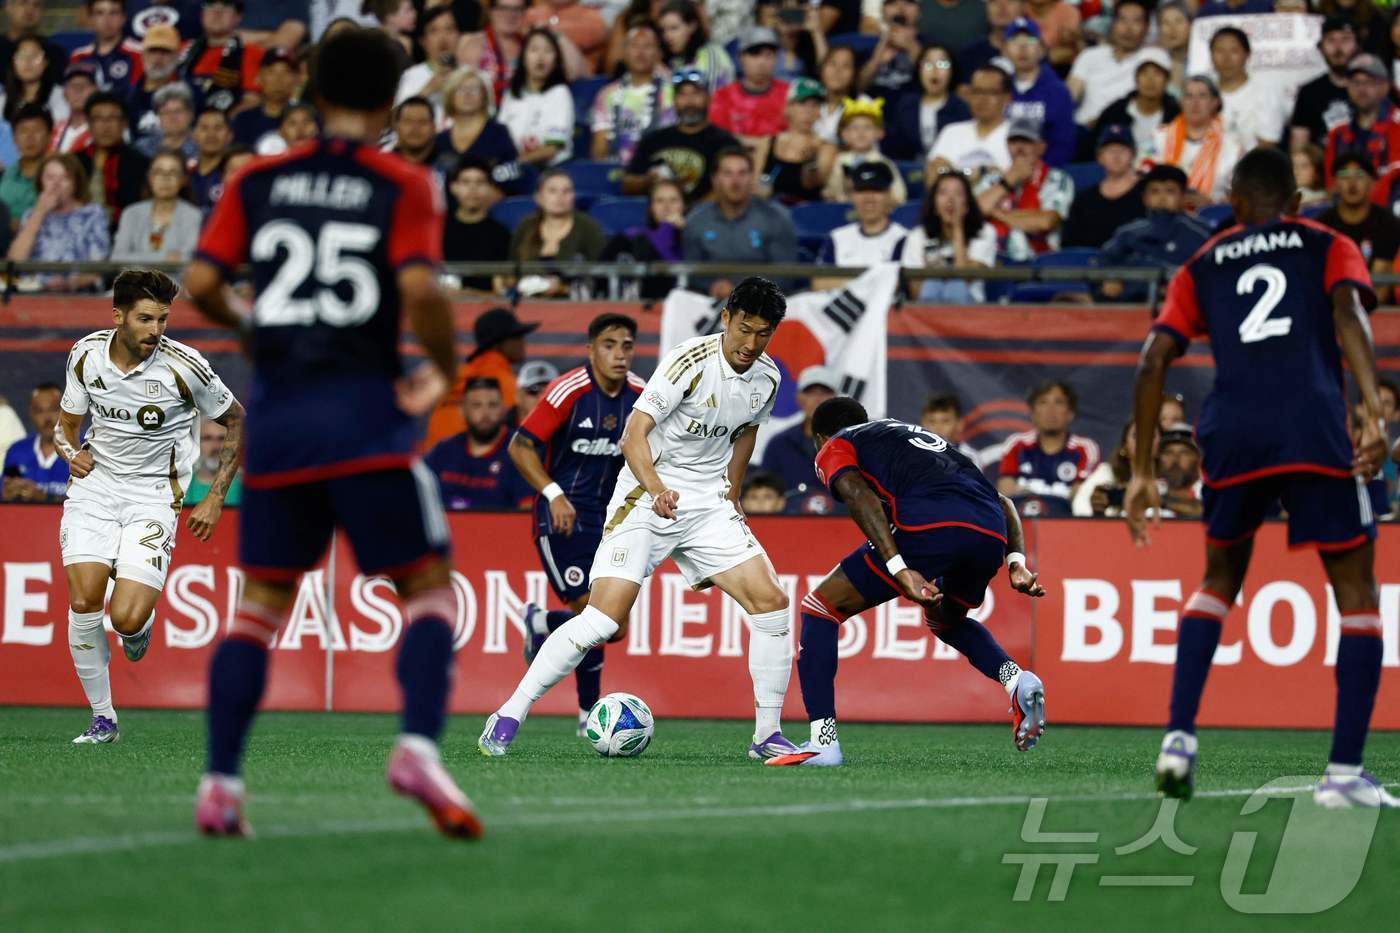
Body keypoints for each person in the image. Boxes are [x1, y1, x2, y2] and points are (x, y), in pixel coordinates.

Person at [185, 26, 482, 839]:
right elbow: (421, 289)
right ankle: (416, 744)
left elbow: (203, 282)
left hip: (279, 423)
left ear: (313, 93)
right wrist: (444, 368)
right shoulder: (405, 181)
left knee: (257, 610)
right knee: (427, 588)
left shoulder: (257, 177)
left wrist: (250, 329)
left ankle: (220, 783)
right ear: (391, 103)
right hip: (365, 419)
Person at [1126, 146, 1394, 807]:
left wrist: (1140, 470)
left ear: (1235, 207)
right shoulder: (1325, 240)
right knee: (1357, 591)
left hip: (1232, 429)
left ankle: (1178, 738)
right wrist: (1371, 409)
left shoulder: (1201, 261)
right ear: (1297, 202)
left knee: (1218, 579)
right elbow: (1348, 314)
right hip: (1312, 426)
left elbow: (1152, 356)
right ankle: (1342, 774)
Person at [478, 277, 805, 762]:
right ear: (726, 319)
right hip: (645, 497)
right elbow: (634, 435)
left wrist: (732, 494)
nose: (751, 344)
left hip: (707, 506)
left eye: (763, 334)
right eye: (744, 330)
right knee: (602, 621)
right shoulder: (688, 362)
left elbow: (745, 434)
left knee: (773, 604)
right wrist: (657, 490)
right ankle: (508, 713)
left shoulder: (768, 377)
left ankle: (766, 736)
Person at [764, 396, 1047, 767]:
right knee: (947, 619)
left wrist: (899, 567)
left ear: (820, 438)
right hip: (990, 532)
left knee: (820, 609)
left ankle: (823, 741)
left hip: (927, 526)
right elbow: (1004, 501)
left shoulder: (837, 443)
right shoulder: (918, 437)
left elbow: (855, 492)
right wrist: (1016, 563)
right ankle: (1016, 680)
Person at [54, 269, 243, 745]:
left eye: (162, 318)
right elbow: (65, 427)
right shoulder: (86, 355)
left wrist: (215, 497)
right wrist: (69, 454)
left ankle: (138, 625)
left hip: (154, 496)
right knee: (82, 600)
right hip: (95, 490)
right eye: (144, 319)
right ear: (117, 316)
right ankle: (103, 719)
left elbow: (237, 421)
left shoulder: (186, 367)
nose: (155, 330)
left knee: (127, 619)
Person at [508, 313, 646, 735]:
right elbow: (521, 446)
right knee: (593, 612)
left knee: (615, 627)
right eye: (609, 345)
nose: (619, 354)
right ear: (590, 350)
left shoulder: (642, 396)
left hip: (612, 522)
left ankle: (541, 623)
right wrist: (554, 494)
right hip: (563, 518)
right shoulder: (569, 390)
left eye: (626, 345)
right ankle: (589, 714)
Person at [681, 147, 799, 300]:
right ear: (715, 179)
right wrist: (711, 285)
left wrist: (743, 289)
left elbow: (786, 274)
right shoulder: (696, 220)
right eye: (727, 173)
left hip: (764, 304)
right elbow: (691, 272)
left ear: (751, 178)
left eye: (742, 173)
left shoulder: (777, 218)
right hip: (708, 302)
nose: (735, 182)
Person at [1098, 163, 1213, 301]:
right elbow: (1104, 261)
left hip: (1182, 305)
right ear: (1145, 198)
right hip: (1130, 306)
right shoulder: (1127, 233)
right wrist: (1111, 278)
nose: (1162, 197)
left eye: (1170, 191)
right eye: (1154, 191)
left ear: (1183, 197)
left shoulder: (1202, 233)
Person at [427, 305, 537, 448]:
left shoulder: (454, 377)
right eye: (517, 337)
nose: (524, 343)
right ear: (500, 343)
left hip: (432, 462)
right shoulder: (511, 386)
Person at [622, 68, 737, 201]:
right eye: (682, 95)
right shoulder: (654, 139)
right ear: (674, 100)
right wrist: (648, 180)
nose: (689, 101)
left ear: (708, 98)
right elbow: (627, 184)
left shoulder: (725, 143)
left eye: (696, 93)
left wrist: (694, 214)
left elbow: (731, 187)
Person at [424, 376, 533, 510]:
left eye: (492, 405)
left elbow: (528, 515)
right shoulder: (443, 451)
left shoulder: (520, 453)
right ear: (462, 411)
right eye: (476, 405)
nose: (485, 413)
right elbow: (415, 493)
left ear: (503, 410)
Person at [974, 117, 1074, 263]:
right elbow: (971, 212)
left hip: (1038, 263)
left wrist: (993, 212)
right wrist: (1007, 182)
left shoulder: (1057, 178)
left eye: (1027, 141)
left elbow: (1045, 222)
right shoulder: (993, 179)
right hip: (990, 261)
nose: (1019, 148)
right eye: (1014, 142)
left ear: (1041, 147)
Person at [7, 153, 110, 291]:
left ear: (75, 183)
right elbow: (15, 262)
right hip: (34, 293)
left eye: (64, 178)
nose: (56, 185)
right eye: (50, 178)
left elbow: (99, 269)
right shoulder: (31, 214)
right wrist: (39, 213)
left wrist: (70, 284)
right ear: (40, 182)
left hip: (80, 295)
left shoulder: (93, 214)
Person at [997, 379, 1099, 514]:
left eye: (1059, 402)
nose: (1051, 411)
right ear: (1032, 413)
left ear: (1070, 413)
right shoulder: (1016, 444)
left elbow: (1080, 499)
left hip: (1068, 527)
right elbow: (1006, 495)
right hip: (1022, 525)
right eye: (1043, 403)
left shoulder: (1085, 448)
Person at [900, 169, 997, 303]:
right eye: (943, 193)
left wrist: (957, 228)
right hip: (928, 308)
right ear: (934, 204)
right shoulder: (918, 235)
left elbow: (965, 279)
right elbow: (916, 292)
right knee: (931, 285)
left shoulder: (985, 232)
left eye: (958, 193)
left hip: (970, 309)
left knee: (955, 287)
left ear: (967, 204)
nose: (950, 200)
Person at [506, 167, 606, 298]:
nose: (560, 197)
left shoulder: (588, 228)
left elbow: (602, 275)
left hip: (574, 304)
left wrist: (564, 289)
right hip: (527, 301)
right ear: (538, 197)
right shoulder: (526, 226)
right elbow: (511, 269)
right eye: (552, 191)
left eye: (567, 191)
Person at [1148, 76, 1245, 207]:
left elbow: (1244, 195)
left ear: (1215, 102)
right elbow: (1142, 180)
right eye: (1188, 96)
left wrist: (1211, 203)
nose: (1195, 102)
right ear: (1181, 102)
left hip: (1213, 220)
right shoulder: (1158, 137)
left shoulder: (1233, 146)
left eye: (1202, 96)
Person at [1318, 153, 1400, 302]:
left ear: (1372, 183)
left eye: (1359, 176)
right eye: (1344, 176)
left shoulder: (1388, 223)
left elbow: (1381, 288)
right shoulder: (1322, 225)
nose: (1352, 184)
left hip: (1375, 309)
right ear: (1335, 184)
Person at [590, 22, 674, 165]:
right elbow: (599, 149)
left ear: (659, 54)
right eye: (634, 46)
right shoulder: (607, 95)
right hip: (617, 172)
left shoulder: (672, 92)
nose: (640, 52)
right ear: (624, 53)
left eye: (647, 46)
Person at [815, 160, 906, 287]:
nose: (868, 199)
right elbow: (819, 284)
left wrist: (845, 284)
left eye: (876, 190)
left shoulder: (903, 239)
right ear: (852, 196)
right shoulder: (837, 237)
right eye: (862, 191)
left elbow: (896, 286)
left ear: (889, 195)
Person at [1002, 17, 1074, 168]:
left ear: (1042, 50)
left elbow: (1063, 144)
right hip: (1001, 167)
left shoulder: (1058, 91)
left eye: (1031, 41)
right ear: (1005, 51)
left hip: (1043, 172)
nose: (1023, 48)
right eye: (1015, 41)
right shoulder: (998, 88)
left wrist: (1038, 171)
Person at [1067, 0, 1151, 129]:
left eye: (1136, 21)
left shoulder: (1150, 59)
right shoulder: (1090, 55)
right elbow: (1068, 96)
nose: (1128, 28)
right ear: (1113, 24)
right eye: (1123, 20)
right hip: (1083, 129)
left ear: (1146, 28)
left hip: (1124, 133)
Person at [497, 27, 574, 166]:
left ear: (556, 60)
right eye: (534, 50)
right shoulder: (512, 93)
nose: (540, 57)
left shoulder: (560, 93)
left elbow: (552, 149)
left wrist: (516, 163)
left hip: (549, 169)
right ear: (523, 58)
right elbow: (500, 138)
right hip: (514, 167)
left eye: (548, 51)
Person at [110, 151, 203, 264]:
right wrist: (165, 258)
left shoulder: (193, 215)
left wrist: (136, 258)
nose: (165, 179)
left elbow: (187, 260)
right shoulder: (131, 213)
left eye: (173, 173)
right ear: (150, 178)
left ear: (183, 180)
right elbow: (117, 258)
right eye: (159, 172)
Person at [1061, 124, 1145, 249]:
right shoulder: (1084, 200)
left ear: (1133, 155)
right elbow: (1069, 245)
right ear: (1100, 157)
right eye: (1110, 150)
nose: (1116, 156)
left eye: (1122, 150)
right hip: (1089, 266)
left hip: (1136, 266)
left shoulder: (1147, 195)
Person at [759, 363, 836, 499]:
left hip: (838, 519)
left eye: (824, 392)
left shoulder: (848, 444)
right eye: (810, 392)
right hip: (787, 519)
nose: (817, 399)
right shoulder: (779, 444)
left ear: (835, 398)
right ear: (799, 398)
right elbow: (764, 493)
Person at [77, 91, 152, 228]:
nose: (106, 126)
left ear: (124, 123)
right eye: (98, 119)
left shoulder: (140, 164)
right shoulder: (74, 161)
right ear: (89, 124)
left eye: (112, 118)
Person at [884, 44, 969, 163]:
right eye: (928, 64)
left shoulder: (961, 108)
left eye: (942, 64)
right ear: (919, 70)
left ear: (952, 71)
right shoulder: (906, 105)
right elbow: (896, 148)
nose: (935, 71)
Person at [1325, 53, 1400, 185]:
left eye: (1369, 82)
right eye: (1355, 82)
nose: (1361, 89)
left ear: (1385, 86)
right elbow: (1333, 184)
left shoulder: (1397, 126)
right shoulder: (1337, 134)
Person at [1209, 26, 1287, 151]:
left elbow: (1267, 145)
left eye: (1234, 51)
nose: (1226, 59)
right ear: (1211, 55)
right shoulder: (1202, 92)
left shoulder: (1265, 92)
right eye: (1219, 51)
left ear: (1247, 55)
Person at [709, 26, 789, 147]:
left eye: (768, 55)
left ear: (776, 59)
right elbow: (718, 136)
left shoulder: (789, 95)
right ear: (741, 58)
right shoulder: (722, 97)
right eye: (754, 54)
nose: (761, 62)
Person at [1092, 48, 1180, 158]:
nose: (1150, 80)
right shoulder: (1115, 112)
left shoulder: (1176, 116)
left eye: (1157, 74)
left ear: (1167, 80)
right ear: (1136, 78)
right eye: (1144, 73)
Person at [181, 0, 264, 114]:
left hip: (224, 125)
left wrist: (219, 124)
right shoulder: (185, 50)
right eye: (210, 5)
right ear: (202, 14)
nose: (217, 12)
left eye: (226, 6)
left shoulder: (250, 52)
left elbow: (252, 101)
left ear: (238, 17)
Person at [927, 64, 1011, 176]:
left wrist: (955, 174)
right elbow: (934, 173)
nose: (982, 99)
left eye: (991, 92)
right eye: (977, 91)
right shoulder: (952, 132)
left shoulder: (1017, 136)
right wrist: (979, 172)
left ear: (1007, 97)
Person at [760, 77, 835, 203]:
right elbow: (756, 186)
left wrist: (811, 162)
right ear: (789, 107)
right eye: (802, 103)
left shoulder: (826, 148)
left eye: (815, 105)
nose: (809, 111)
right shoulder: (767, 142)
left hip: (808, 214)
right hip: (770, 213)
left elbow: (812, 185)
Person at [1290, 17, 1361, 151]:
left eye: (1345, 39)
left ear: (1357, 45)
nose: (1338, 48)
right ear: (1321, 47)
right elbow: (1298, 151)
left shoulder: (1374, 89)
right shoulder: (1309, 92)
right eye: (1331, 40)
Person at [432, 66, 517, 176]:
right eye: (461, 89)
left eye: (474, 89)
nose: (468, 94)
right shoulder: (440, 139)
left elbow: (512, 171)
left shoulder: (499, 132)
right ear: (451, 96)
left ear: (484, 96)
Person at [443, 155, 509, 294]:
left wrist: (469, 294)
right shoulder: (436, 231)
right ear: (453, 187)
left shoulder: (501, 236)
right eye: (465, 182)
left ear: (490, 188)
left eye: (480, 182)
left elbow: (502, 293)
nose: (473, 189)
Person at [823, 95, 906, 203]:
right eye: (855, 128)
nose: (861, 133)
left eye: (867, 127)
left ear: (879, 133)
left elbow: (899, 196)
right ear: (844, 134)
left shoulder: (884, 163)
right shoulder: (839, 161)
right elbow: (830, 193)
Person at [1, 382, 67, 502]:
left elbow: (95, 506)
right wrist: (7, 497)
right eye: (39, 411)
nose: (47, 418)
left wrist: (45, 498)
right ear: (31, 414)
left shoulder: (86, 450)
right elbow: (4, 495)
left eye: (53, 409)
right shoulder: (16, 451)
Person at [229, 47, 300, 151]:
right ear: (259, 77)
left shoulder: (306, 120)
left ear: (296, 79)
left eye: (286, 72)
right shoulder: (244, 121)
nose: (278, 79)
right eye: (271, 72)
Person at [395, 4, 460, 115]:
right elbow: (394, 119)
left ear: (458, 35)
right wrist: (428, 89)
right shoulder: (411, 76)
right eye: (434, 31)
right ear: (423, 41)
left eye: (449, 29)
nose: (443, 37)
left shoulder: (471, 75)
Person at [456, 0, 526, 102]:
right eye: (503, 8)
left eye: (517, 9)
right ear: (490, 11)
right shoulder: (473, 43)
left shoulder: (529, 45)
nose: (510, 15)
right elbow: (463, 92)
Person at [126, 24, 190, 135]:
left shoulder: (192, 94)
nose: (158, 58)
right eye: (153, 51)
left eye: (165, 52)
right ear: (143, 54)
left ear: (177, 55)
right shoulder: (125, 96)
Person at [69, 0, 142, 96]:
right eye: (100, 13)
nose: (107, 20)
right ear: (91, 18)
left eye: (114, 13)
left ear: (123, 18)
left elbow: (136, 95)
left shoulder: (139, 53)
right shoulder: (78, 56)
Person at [658, 0, 733, 92]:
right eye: (663, 30)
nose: (667, 36)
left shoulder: (712, 55)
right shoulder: (666, 60)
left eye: (674, 28)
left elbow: (715, 99)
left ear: (692, 26)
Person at [857, 0, 921, 107]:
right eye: (892, 3)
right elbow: (858, 87)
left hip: (913, 110)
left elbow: (938, 82)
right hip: (871, 110)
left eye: (908, 2)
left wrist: (912, 49)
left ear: (919, 11)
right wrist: (877, 57)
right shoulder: (866, 45)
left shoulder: (929, 44)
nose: (900, 9)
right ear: (882, 11)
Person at [523, 0, 606, 74]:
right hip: (534, 79)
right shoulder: (531, 14)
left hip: (578, 84)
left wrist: (547, 30)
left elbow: (592, 33)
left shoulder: (592, 17)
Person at [0, 101, 46, 224]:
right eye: (24, 131)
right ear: (14, 138)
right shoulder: (5, 174)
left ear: (50, 136)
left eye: (36, 130)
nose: (30, 137)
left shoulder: (60, 175)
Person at [0, 34, 64, 122]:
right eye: (21, 56)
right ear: (13, 63)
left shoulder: (62, 97)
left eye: (34, 56)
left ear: (45, 62)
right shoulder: (2, 101)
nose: (27, 61)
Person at [185, 418, 242, 507]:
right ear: (196, 442)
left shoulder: (246, 486)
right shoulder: (180, 485)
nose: (215, 446)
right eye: (207, 438)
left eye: (222, 438)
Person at [134, 81, 197, 159]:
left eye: (178, 111)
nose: (172, 117)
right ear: (158, 116)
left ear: (190, 114)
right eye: (166, 113)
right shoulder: (142, 148)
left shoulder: (202, 146)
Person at [189, 106, 232, 214]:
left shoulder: (234, 174)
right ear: (193, 135)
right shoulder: (183, 173)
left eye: (218, 128)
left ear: (229, 136)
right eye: (204, 128)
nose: (211, 134)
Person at [50, 60, 98, 153]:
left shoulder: (105, 129)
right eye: (72, 85)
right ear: (64, 93)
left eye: (85, 85)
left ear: (96, 90)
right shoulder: (53, 131)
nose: (78, 90)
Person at [814, 44, 857, 145]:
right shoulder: (806, 101)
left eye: (846, 66)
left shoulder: (863, 105)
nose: (837, 71)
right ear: (822, 69)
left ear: (854, 73)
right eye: (832, 64)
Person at [920, 391, 978, 461]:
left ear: (959, 424)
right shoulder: (911, 455)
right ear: (923, 423)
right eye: (932, 421)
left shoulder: (969, 458)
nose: (938, 427)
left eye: (945, 421)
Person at [388, 96, 441, 164]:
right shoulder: (381, 167)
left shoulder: (452, 169)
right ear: (397, 127)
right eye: (408, 121)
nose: (415, 128)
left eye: (423, 122)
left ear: (434, 127)